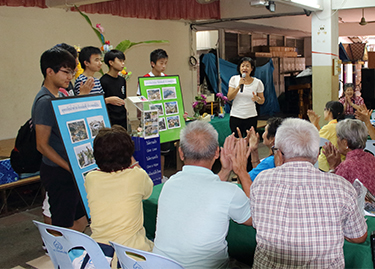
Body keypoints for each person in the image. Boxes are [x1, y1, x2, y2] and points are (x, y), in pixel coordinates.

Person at [248, 118, 368, 268]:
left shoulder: (261, 181)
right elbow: (359, 237)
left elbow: (256, 222)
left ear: (278, 154)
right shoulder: (341, 187)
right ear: (317, 154)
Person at [153, 121, 252, 269]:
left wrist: (225, 170)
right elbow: (258, 217)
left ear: (181, 153)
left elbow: (204, 188)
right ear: (217, 153)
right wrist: (242, 171)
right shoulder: (229, 192)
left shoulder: (170, 183)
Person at [33, 47, 87, 231]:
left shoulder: (57, 96)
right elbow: (42, 145)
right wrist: (69, 166)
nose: (70, 77)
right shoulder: (45, 102)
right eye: (66, 72)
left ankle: (70, 254)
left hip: (68, 169)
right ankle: (59, 255)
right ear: (49, 71)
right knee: (62, 224)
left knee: (81, 220)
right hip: (57, 170)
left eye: (72, 72)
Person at [85, 125, 154, 259]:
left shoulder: (91, 178)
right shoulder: (137, 176)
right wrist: (133, 161)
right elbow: (148, 191)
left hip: (100, 252)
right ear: (129, 153)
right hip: (133, 253)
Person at [323, 119, 375, 195]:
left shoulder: (346, 166)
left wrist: (332, 167)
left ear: (345, 143)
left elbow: (332, 193)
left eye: (338, 137)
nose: (337, 141)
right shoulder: (370, 157)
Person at [227, 57, 265, 138]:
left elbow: (262, 100)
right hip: (236, 115)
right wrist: (238, 87)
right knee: (236, 142)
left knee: (250, 142)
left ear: (252, 69)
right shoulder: (234, 79)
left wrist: (257, 99)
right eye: (243, 66)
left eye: (247, 66)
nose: (245, 68)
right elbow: (229, 97)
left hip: (251, 116)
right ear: (239, 68)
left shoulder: (258, 82)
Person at [307, 101, 345, 171]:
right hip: (341, 161)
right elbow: (322, 136)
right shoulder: (341, 125)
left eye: (325, 109)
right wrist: (316, 124)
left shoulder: (329, 127)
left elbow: (314, 139)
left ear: (329, 111)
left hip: (326, 164)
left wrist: (313, 123)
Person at [100, 50, 127, 129]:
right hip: (111, 118)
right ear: (111, 63)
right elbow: (101, 101)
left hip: (122, 116)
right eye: (120, 61)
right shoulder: (103, 81)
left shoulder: (122, 80)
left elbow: (123, 97)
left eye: (123, 61)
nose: (123, 64)